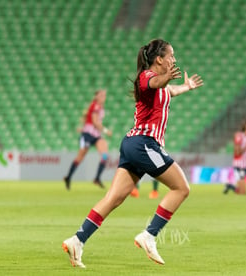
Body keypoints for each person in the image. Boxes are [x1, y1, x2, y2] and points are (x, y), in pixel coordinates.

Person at [62, 38, 203, 268]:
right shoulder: (146, 77)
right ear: (159, 59)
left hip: (132, 144)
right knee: (181, 188)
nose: (174, 60)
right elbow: (153, 83)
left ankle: (78, 240)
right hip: (144, 144)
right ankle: (149, 235)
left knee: (114, 198)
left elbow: (169, 91)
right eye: (171, 56)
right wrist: (165, 78)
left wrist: (186, 87)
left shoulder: (161, 87)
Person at [63, 89, 112, 190]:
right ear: (96, 96)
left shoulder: (98, 107)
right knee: (80, 157)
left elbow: (88, 117)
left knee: (105, 155)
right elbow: (95, 122)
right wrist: (106, 131)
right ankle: (68, 177)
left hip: (96, 135)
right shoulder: (95, 106)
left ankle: (97, 178)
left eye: (104, 95)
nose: (103, 97)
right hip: (87, 135)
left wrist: (84, 123)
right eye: (101, 95)